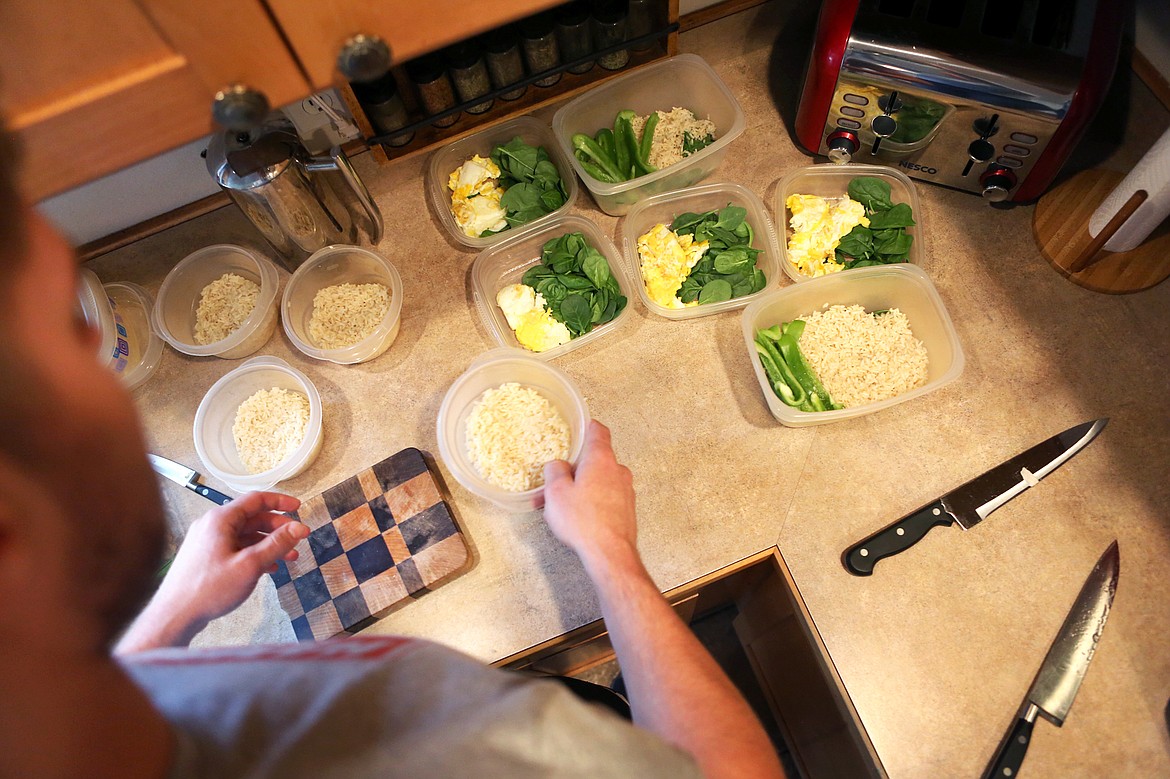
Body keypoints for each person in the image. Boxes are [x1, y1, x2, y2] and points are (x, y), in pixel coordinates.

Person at [0, 123, 784, 778]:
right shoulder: (416, 741)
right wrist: (612, 551)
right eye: (79, 336)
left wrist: (169, 620)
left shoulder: (72, 714)